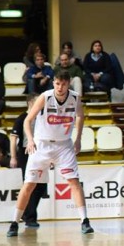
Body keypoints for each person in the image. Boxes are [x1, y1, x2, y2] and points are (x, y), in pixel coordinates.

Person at [7, 71, 94, 237]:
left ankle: (85, 221)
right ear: (53, 83)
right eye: (57, 84)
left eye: (63, 84)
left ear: (68, 84)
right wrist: (30, 140)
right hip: (41, 145)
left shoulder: (75, 98)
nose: (60, 87)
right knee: (29, 185)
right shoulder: (45, 97)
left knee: (74, 182)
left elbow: (80, 116)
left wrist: (78, 139)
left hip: (64, 146)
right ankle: (14, 223)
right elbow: (27, 120)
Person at [9, 93, 46, 228]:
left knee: (42, 186)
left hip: (40, 153)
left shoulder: (41, 117)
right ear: (31, 102)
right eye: (38, 101)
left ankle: (26, 214)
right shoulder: (21, 119)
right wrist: (13, 157)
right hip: (26, 153)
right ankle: (30, 218)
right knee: (31, 185)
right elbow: (13, 140)